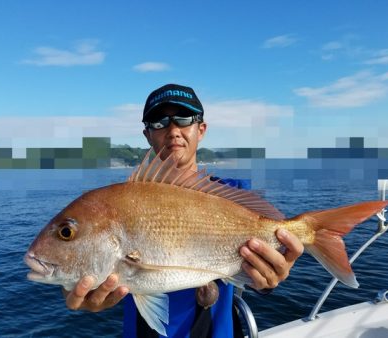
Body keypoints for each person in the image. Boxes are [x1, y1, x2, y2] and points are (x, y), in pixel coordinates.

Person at [64, 84, 304, 337]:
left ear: (201, 130)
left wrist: (269, 278)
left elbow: (257, 277)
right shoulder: (121, 200)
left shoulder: (232, 194)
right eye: (160, 122)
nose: (173, 130)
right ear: (147, 134)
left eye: (184, 119)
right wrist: (75, 285)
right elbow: (89, 258)